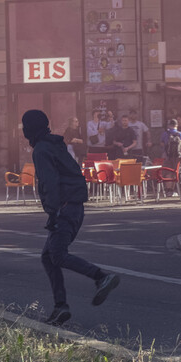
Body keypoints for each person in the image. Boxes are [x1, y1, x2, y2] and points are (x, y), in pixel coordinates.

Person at [21, 109, 120, 326]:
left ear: (30, 129)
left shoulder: (41, 149)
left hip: (64, 207)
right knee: (48, 257)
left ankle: (100, 277)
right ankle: (60, 307)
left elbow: (50, 181)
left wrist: (53, 211)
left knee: (56, 255)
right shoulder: (55, 144)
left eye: (25, 127)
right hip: (73, 205)